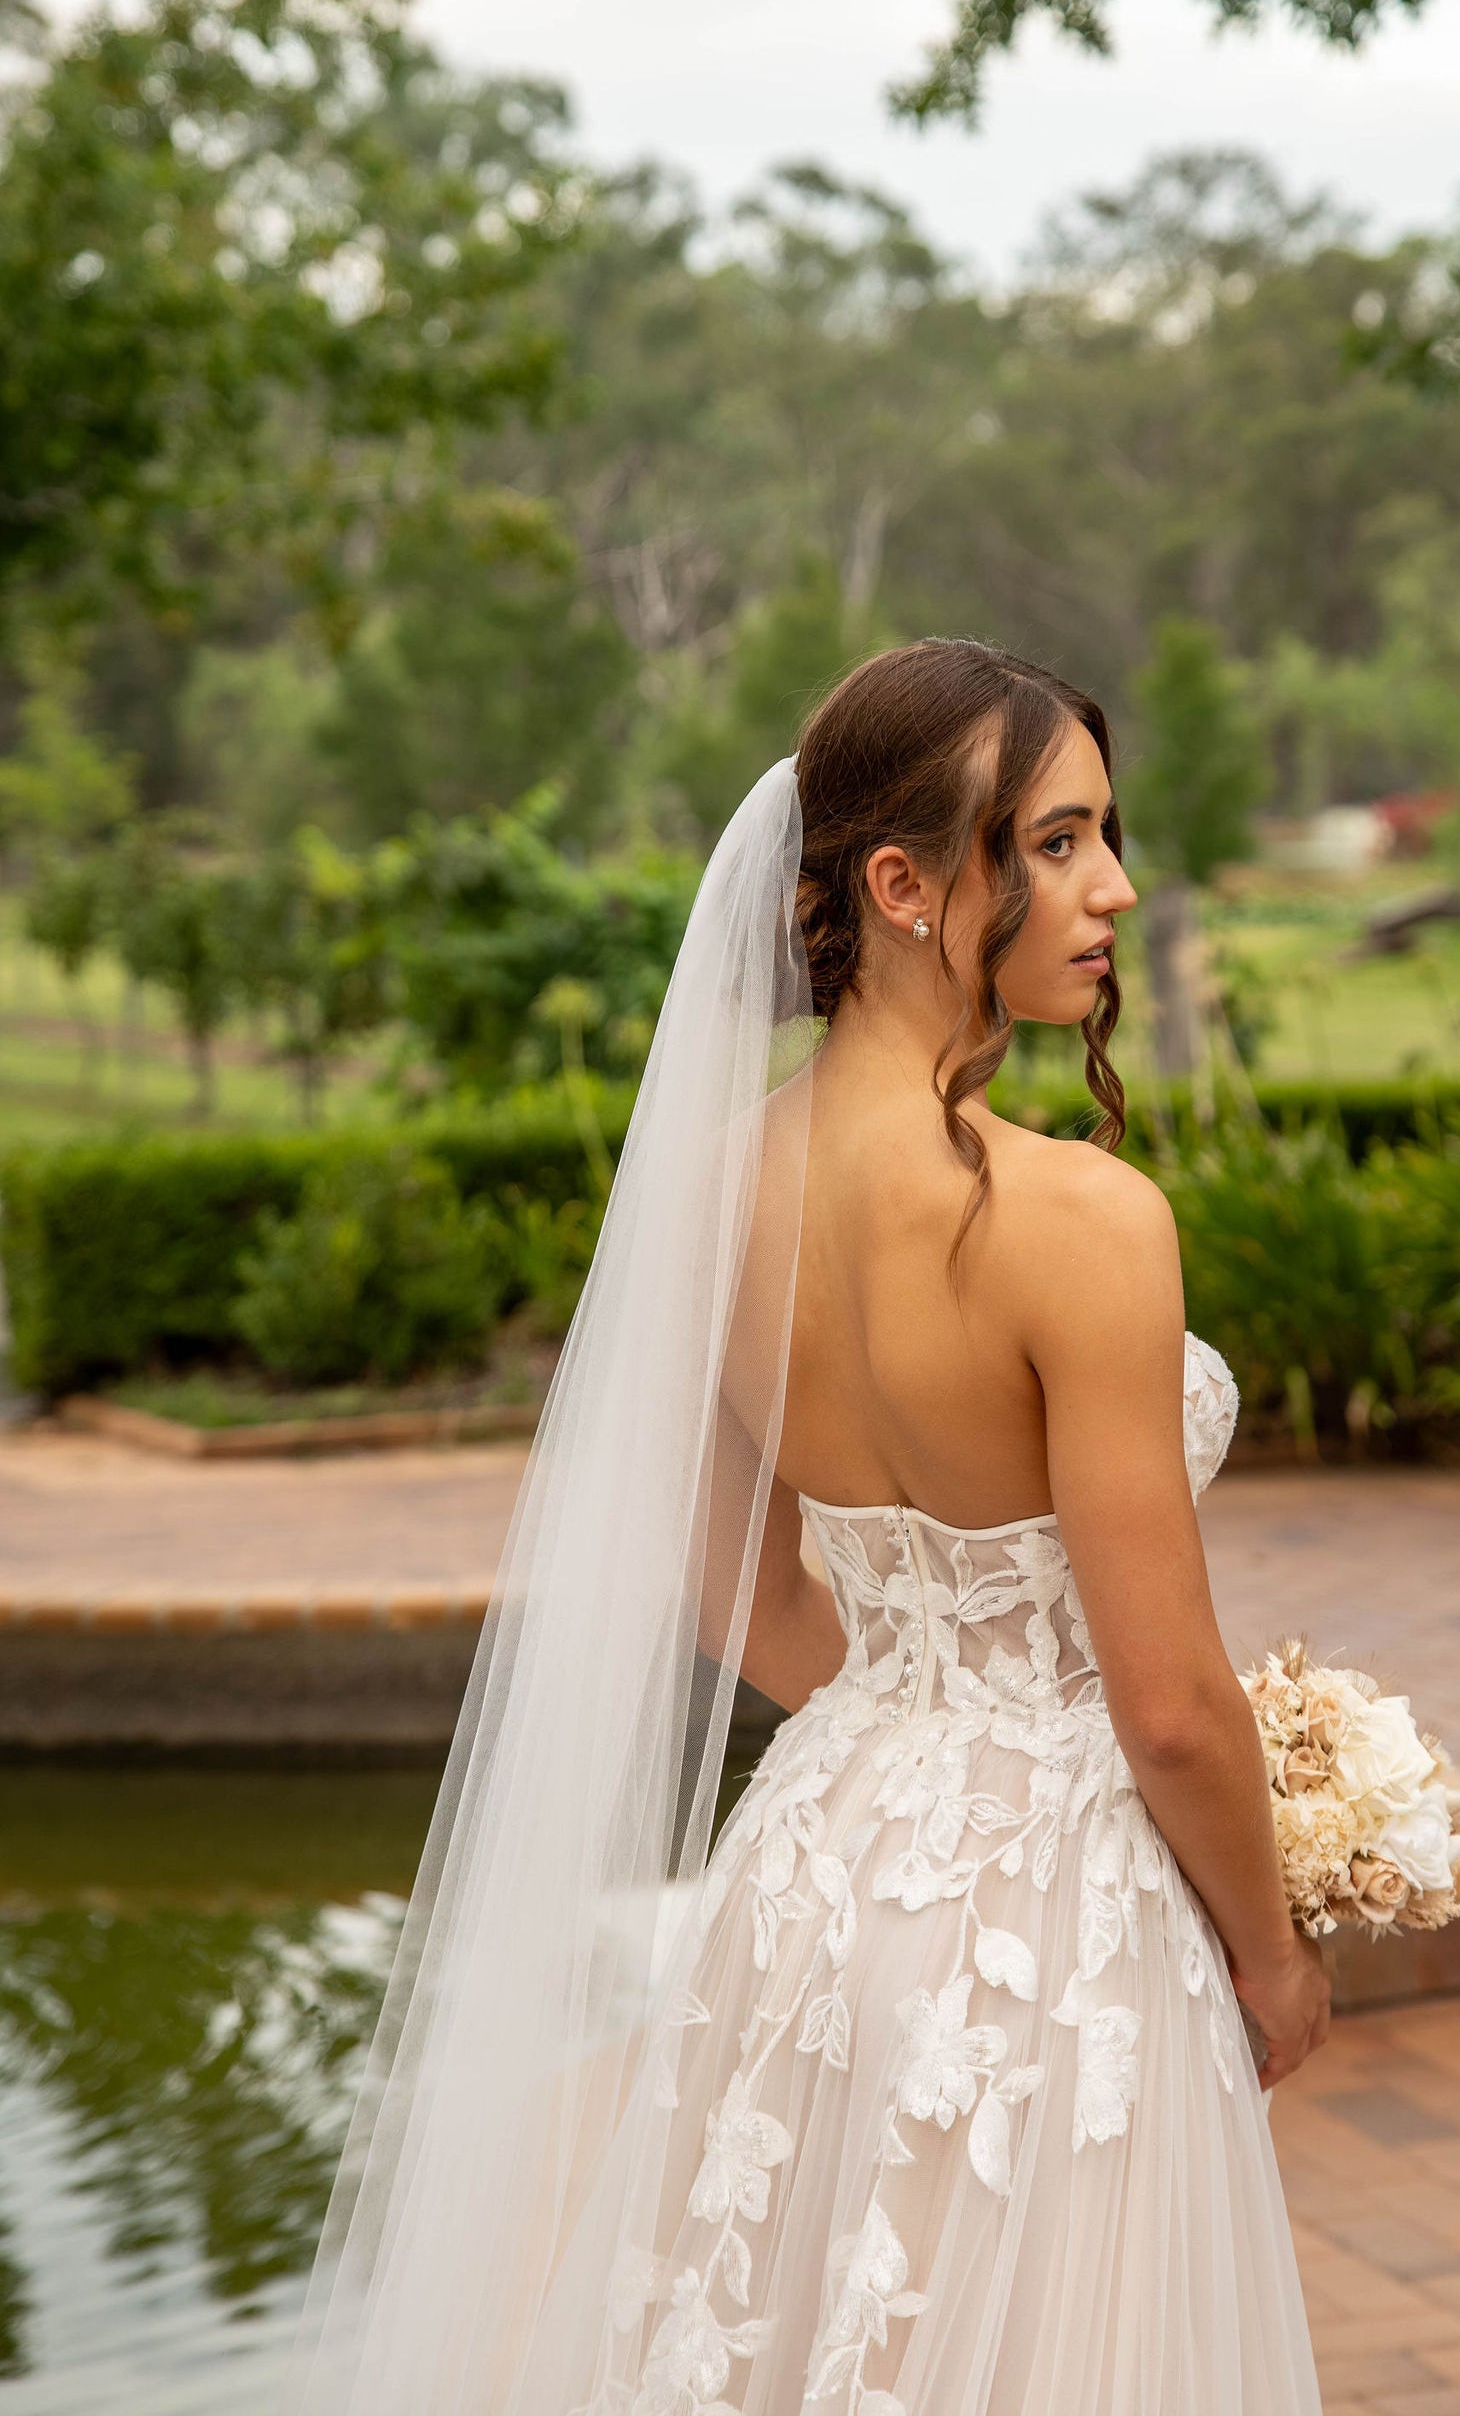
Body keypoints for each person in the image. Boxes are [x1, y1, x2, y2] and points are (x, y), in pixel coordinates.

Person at [289, 638, 1327, 2416]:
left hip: (818, 1872)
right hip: (1056, 1904)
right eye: (1057, 844)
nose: (1115, 890)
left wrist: (917, 1732)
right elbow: (1166, 1705)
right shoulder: (1085, 1223)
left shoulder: (706, 1189)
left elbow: (723, 1584)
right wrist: (1273, 1950)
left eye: (1106, 838)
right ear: (905, 886)